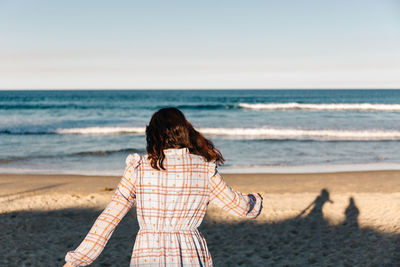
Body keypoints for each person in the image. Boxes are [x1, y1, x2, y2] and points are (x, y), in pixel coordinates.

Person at [63, 107, 263, 267]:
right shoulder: (203, 169)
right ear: (184, 133)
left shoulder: (139, 168)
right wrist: (255, 200)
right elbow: (240, 207)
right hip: (191, 253)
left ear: (153, 135)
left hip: (148, 253)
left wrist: (77, 260)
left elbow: (109, 217)